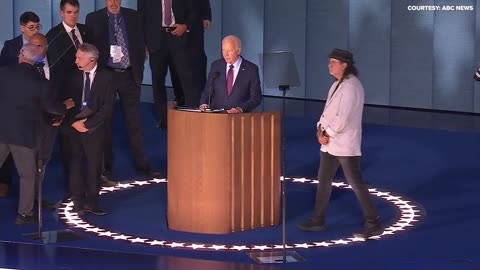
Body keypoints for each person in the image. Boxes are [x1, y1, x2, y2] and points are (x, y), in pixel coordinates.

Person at [297, 48, 383, 239]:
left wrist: (326, 133)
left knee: (355, 182)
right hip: (330, 143)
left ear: (345, 65)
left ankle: (373, 221)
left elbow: (342, 118)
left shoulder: (352, 87)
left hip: (344, 144)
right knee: (324, 181)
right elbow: (327, 112)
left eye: (333, 62)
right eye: (330, 61)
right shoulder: (338, 84)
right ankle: (318, 219)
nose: (330, 65)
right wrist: (320, 130)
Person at [0, 43, 69, 224]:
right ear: (38, 60)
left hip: (1, 130)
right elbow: (51, 108)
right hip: (23, 135)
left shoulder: (4, 72)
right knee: (28, 175)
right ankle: (24, 214)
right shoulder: (40, 82)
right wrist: (65, 106)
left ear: (21, 55)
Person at [85, 0, 154, 183]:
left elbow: (141, 43)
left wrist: (138, 68)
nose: (114, 2)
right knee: (105, 123)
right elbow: (90, 49)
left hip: (129, 75)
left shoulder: (134, 16)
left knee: (135, 123)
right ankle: (106, 168)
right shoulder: (93, 19)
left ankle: (143, 165)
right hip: (106, 76)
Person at [60, 43, 114, 216]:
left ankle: (92, 201)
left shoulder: (107, 77)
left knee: (94, 165)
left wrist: (88, 124)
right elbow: (65, 102)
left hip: (94, 129)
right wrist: (74, 123)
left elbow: (107, 108)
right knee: (74, 164)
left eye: (79, 58)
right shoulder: (71, 75)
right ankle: (77, 200)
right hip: (73, 127)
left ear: (92, 59)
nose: (76, 60)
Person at [138, 0, 200, 130]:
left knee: (187, 78)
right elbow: (141, 17)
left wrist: (185, 26)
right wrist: (142, 44)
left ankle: (192, 115)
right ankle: (163, 119)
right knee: (158, 80)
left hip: (178, 37)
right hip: (155, 40)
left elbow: (193, 9)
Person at [0, 11, 42, 197]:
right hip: (14, 106)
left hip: (33, 106)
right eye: (31, 27)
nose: (35, 31)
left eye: (37, 26)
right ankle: (4, 183)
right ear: (22, 27)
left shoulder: (43, 43)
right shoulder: (10, 47)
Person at [199, 35, 262, 113]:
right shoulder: (216, 66)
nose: (225, 54)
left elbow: (256, 98)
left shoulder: (251, 69)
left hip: (239, 118)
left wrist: (240, 109)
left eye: (229, 51)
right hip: (216, 116)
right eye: (223, 50)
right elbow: (207, 90)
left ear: (238, 51)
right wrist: (203, 103)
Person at [170, 0, 212, 106]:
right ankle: (180, 97)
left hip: (195, 23)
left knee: (198, 60)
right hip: (172, 23)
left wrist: (206, 14)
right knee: (175, 63)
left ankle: (203, 98)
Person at [46, 0, 92, 94]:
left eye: (76, 12)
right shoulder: (53, 35)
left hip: (90, 84)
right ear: (61, 13)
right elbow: (56, 69)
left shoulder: (86, 30)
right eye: (69, 12)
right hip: (68, 88)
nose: (73, 16)